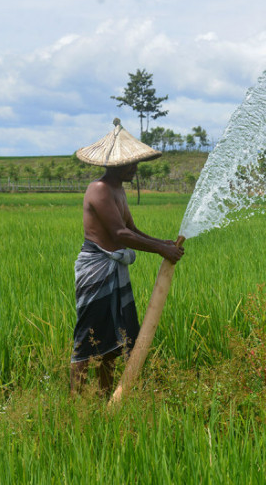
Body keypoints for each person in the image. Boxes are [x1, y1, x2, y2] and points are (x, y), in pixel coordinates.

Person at [71, 120, 184, 396]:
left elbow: (132, 229)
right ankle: (74, 405)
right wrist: (160, 250)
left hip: (111, 269)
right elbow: (120, 234)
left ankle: (105, 399)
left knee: (110, 344)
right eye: (131, 163)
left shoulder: (118, 190)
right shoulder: (99, 189)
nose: (135, 168)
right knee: (88, 342)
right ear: (115, 164)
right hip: (97, 271)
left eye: (136, 162)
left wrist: (163, 243)